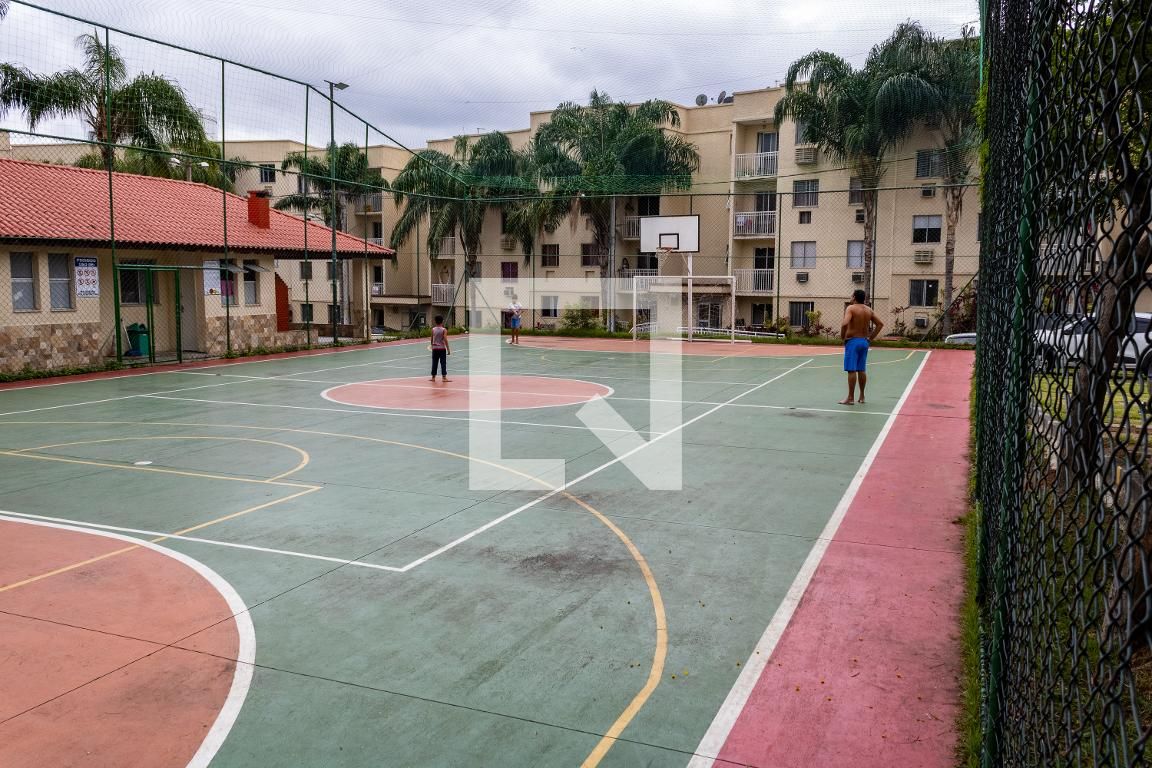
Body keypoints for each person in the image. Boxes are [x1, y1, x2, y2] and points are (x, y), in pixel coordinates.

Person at [840, 289, 884, 405]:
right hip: (864, 342)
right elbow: (880, 324)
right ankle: (862, 396)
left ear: (854, 297)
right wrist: (870, 338)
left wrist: (843, 336)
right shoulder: (869, 310)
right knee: (861, 369)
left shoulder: (851, 308)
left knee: (851, 369)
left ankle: (850, 398)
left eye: (851, 296)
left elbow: (845, 323)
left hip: (852, 341)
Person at [429, 315, 451, 382]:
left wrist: (432, 346)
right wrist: (448, 349)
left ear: (435, 321)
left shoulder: (433, 329)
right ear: (442, 321)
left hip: (435, 348)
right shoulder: (444, 330)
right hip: (441, 349)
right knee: (443, 363)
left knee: (434, 362)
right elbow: (445, 339)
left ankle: (433, 377)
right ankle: (444, 377)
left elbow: (431, 339)